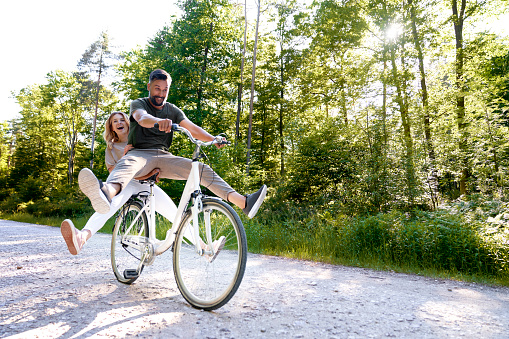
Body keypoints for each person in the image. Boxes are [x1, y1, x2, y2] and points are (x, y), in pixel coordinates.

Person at [78, 69, 267, 221]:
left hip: (164, 157)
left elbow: (192, 127)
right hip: (140, 153)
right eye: (157, 88)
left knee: (200, 169)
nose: (161, 93)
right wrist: (157, 121)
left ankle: (243, 202)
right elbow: (142, 118)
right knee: (128, 163)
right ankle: (106, 193)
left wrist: (213, 138)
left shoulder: (172, 110)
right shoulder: (139, 103)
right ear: (149, 87)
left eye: (165, 89)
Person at [60, 111, 177, 255]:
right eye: (115, 121)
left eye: (122, 120)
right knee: (108, 205)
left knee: (175, 214)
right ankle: (81, 237)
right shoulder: (111, 148)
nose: (119, 123)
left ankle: (203, 245)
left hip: (146, 183)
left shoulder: (141, 140)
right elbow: (114, 172)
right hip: (125, 183)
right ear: (112, 127)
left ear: (128, 123)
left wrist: (154, 171)